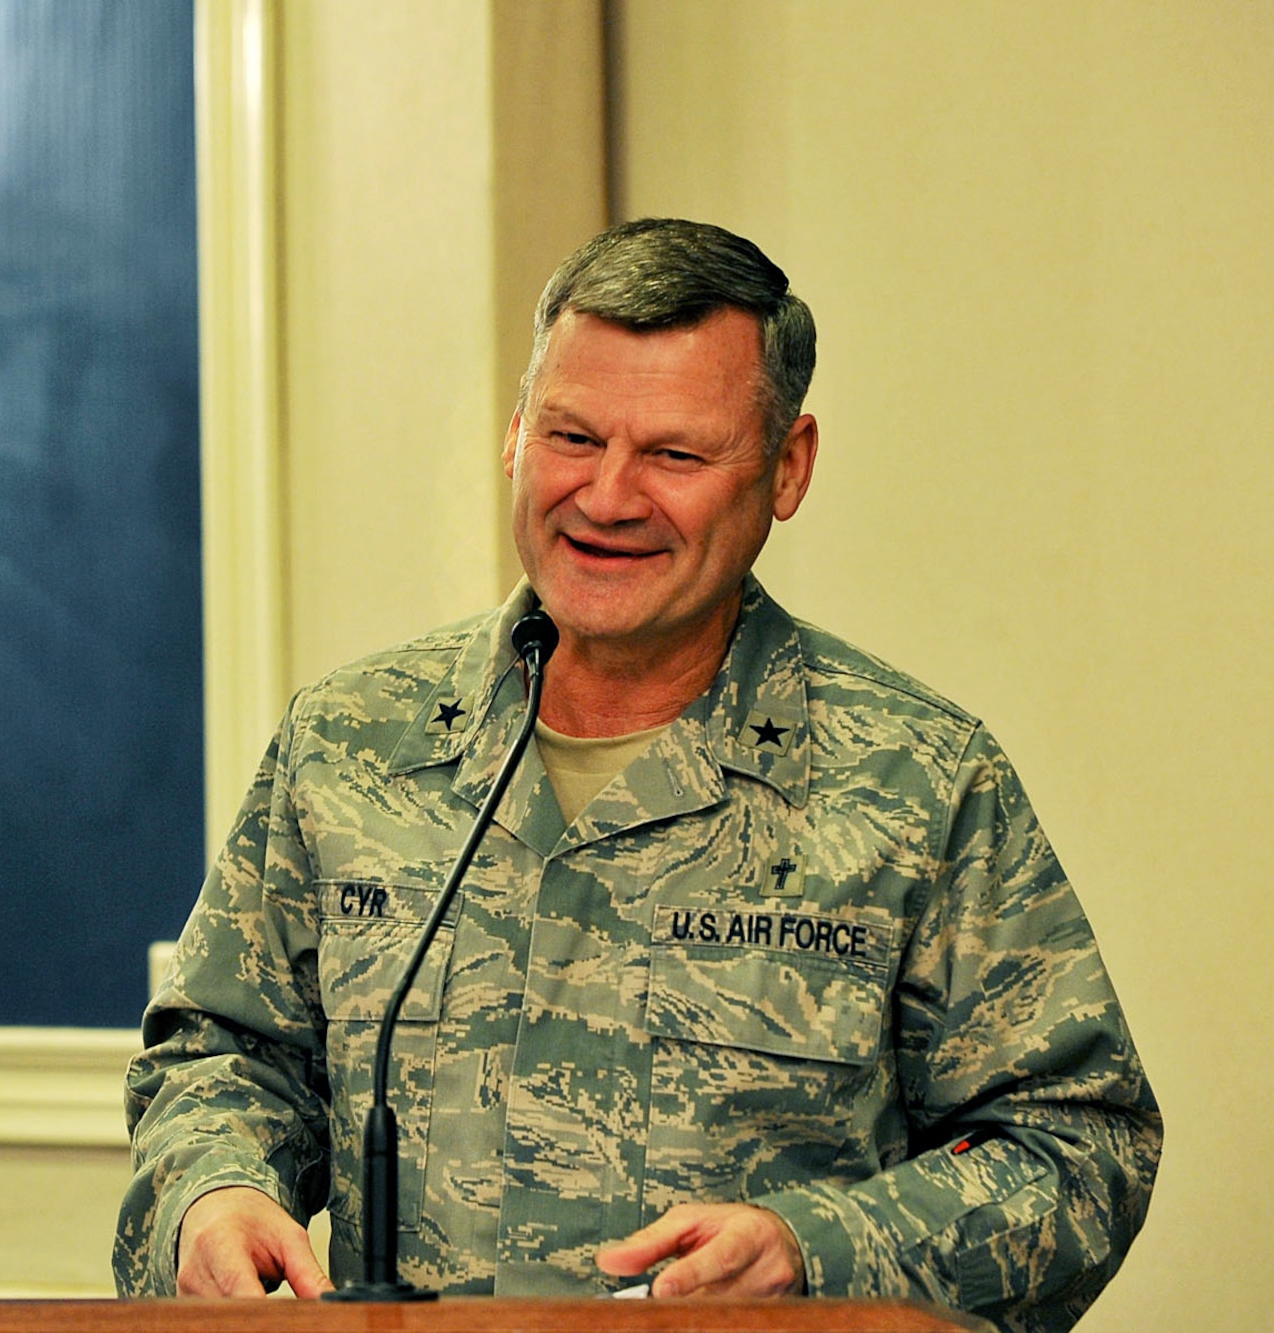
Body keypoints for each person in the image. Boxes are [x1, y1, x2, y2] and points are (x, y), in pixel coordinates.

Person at [112, 219, 1160, 1332]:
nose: (607, 497)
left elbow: (1078, 1148)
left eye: (675, 455)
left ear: (788, 467)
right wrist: (211, 1193)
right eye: (571, 436)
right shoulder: (349, 742)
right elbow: (221, 1056)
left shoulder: (918, 782)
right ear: (515, 432)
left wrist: (815, 1252)